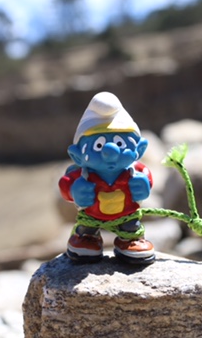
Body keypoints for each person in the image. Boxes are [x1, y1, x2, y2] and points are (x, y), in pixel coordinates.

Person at [59, 91, 155, 264]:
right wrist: (74, 191)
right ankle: (87, 239)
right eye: (98, 145)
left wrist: (143, 185)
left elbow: (147, 177)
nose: (111, 152)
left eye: (120, 143)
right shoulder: (83, 174)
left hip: (127, 213)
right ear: (77, 156)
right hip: (92, 214)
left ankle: (129, 239)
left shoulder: (134, 171)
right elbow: (65, 185)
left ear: (139, 150)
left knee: (130, 225)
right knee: (87, 225)